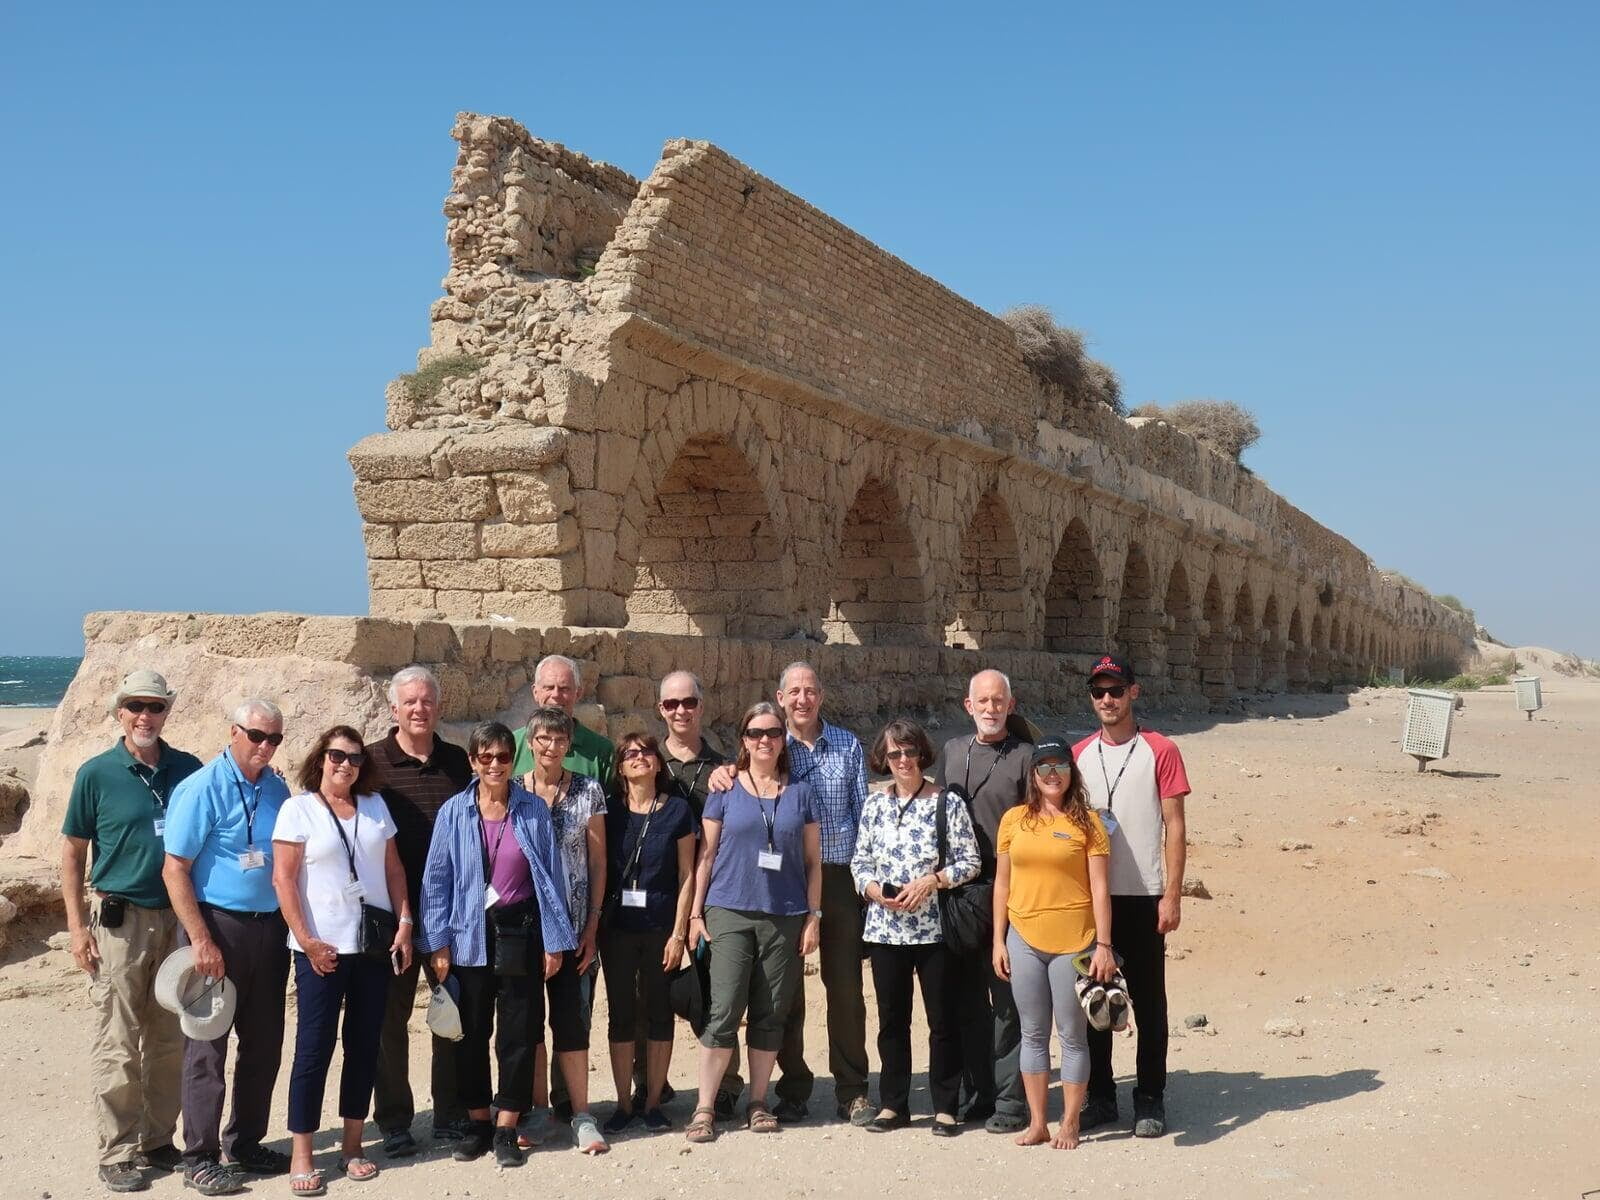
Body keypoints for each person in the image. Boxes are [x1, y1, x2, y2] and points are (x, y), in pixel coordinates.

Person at [706, 662, 870, 1125]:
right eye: (793, 691)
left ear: (821, 696)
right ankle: (793, 1086)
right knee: (784, 992)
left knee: (845, 989)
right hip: (780, 882)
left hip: (835, 878)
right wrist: (723, 771)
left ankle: (852, 1089)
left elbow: (863, 817)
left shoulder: (847, 745)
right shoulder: (770, 738)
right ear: (780, 698)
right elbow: (738, 775)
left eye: (810, 691)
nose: (802, 699)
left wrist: (862, 883)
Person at [61, 670, 203, 1193]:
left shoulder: (187, 768)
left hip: (177, 920)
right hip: (120, 923)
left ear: (168, 711)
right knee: (117, 1040)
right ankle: (117, 1152)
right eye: (135, 707)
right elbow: (73, 854)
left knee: (169, 1037)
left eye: (156, 707)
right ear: (119, 712)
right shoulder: (96, 774)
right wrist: (78, 927)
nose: (146, 716)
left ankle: (157, 1139)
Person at [417, 722, 577, 1168]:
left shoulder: (532, 810)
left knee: (520, 1033)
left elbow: (549, 880)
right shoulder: (453, 812)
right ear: (472, 761)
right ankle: (478, 1123)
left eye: (502, 757)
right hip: (467, 933)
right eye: (484, 757)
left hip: (520, 932)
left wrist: (554, 941)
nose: (494, 765)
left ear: (513, 760)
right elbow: (436, 880)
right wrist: (437, 943)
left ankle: (507, 1124)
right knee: (469, 1033)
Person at [272, 726, 414, 1194]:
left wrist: (405, 921)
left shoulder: (375, 806)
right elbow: (284, 882)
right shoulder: (298, 810)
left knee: (363, 1046)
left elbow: (393, 868)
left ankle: (353, 1146)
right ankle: (303, 1154)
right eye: (337, 756)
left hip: (372, 949)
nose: (345, 765)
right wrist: (307, 940)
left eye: (354, 758)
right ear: (321, 758)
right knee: (314, 1050)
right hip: (322, 951)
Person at [162, 699, 293, 1196]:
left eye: (274, 739)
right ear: (234, 731)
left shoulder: (277, 788)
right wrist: (200, 939)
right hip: (216, 926)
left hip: (268, 930)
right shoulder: (201, 788)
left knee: (264, 1042)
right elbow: (174, 869)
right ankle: (198, 1154)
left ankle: (245, 1143)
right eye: (257, 736)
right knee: (207, 1045)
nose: (265, 746)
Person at [683, 701, 822, 1144]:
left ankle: (758, 1102)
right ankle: (705, 1107)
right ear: (743, 740)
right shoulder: (724, 788)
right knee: (723, 1009)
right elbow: (705, 857)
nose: (765, 740)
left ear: (784, 739)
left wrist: (813, 917)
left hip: (784, 914)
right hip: (729, 910)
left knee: (770, 1013)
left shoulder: (801, 791)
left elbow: (813, 862)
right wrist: (695, 913)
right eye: (756, 733)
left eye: (774, 732)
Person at [1072, 654, 1191, 1139]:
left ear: (1133, 693)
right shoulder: (1078, 753)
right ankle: (1101, 1096)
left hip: (1143, 895)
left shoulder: (1159, 750)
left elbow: (1175, 826)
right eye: (1099, 691)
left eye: (1115, 691)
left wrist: (1172, 895)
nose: (1107, 699)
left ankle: (1150, 1097)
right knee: (1095, 998)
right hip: (1091, 898)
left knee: (1148, 1002)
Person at [850, 719, 980, 1136]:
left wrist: (933, 880)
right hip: (886, 929)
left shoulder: (947, 803)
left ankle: (945, 1105)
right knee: (892, 1021)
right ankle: (894, 1104)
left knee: (942, 1018)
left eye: (909, 752)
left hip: (934, 929)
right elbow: (860, 861)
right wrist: (873, 889)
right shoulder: (874, 804)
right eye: (894, 754)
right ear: (883, 759)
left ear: (922, 754)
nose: (903, 760)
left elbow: (970, 861)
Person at [365, 666, 473, 1155]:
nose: (418, 709)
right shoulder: (370, 764)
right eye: (409, 701)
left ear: (438, 706)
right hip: (392, 916)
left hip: (450, 914)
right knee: (390, 1021)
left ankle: (450, 1114)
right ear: (394, 709)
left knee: (451, 1013)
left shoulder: (458, 762)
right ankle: (393, 1120)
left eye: (426, 701)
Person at [992, 737, 1115, 1150]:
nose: (1050, 773)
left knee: (1072, 1035)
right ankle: (1039, 1121)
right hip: (1023, 937)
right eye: (1042, 766)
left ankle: (1071, 1122)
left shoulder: (1089, 823)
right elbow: (1002, 884)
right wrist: (998, 939)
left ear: (1071, 772)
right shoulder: (1013, 820)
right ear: (1033, 775)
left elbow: (1101, 890)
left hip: (1074, 943)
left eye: (1058, 765)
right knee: (1032, 1033)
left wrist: (1104, 946)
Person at [931, 668, 1032, 1133]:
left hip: (1010, 888)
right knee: (967, 1000)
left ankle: (1012, 1102)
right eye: (982, 701)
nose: (991, 709)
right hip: (960, 890)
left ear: (1010, 706)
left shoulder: (1026, 757)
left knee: (1008, 999)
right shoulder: (953, 752)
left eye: (999, 701)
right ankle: (979, 1093)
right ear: (968, 706)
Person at [519, 706, 609, 1152]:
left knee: (572, 1023)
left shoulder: (589, 791)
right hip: (526, 927)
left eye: (559, 739)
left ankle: (581, 1113)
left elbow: (597, 861)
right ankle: (537, 1110)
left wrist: (593, 922)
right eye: (543, 739)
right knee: (530, 1023)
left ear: (568, 743)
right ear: (531, 742)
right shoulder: (515, 791)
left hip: (575, 927)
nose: (551, 747)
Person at [651, 669, 740, 1116]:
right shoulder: (645, 762)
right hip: (653, 897)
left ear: (701, 707)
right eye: (672, 704)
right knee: (649, 992)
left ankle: (725, 1085)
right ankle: (651, 1083)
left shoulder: (723, 767)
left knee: (715, 991)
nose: (680, 711)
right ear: (660, 709)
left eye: (688, 702)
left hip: (707, 896)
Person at [598, 732, 696, 1134]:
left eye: (646, 752)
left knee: (659, 1013)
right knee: (621, 1015)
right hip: (617, 930)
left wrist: (678, 933)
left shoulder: (677, 811)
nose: (639, 758)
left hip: (659, 928)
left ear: (659, 763)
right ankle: (623, 1104)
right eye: (630, 753)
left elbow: (688, 874)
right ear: (620, 767)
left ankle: (653, 1102)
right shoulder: (608, 811)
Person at [510, 654, 616, 794]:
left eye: (564, 688)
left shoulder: (601, 751)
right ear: (535, 692)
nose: (556, 695)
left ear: (578, 693)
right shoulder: (512, 744)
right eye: (548, 687)